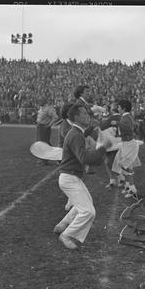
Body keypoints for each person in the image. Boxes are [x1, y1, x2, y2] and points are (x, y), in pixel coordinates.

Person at [54, 104, 112, 250]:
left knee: (86, 204)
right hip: (69, 178)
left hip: (71, 177)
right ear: (76, 117)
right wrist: (103, 148)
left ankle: (63, 225)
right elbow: (85, 158)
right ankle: (67, 235)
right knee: (88, 211)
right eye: (84, 113)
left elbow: (88, 156)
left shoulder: (77, 133)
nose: (88, 115)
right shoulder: (75, 134)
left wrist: (100, 150)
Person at [112, 99, 141, 198]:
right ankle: (129, 186)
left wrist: (116, 123)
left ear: (123, 108)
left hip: (128, 144)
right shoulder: (127, 116)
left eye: (119, 107)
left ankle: (132, 188)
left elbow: (128, 128)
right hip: (127, 143)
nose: (118, 108)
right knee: (126, 166)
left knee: (125, 166)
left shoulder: (126, 117)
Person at [99, 103, 123, 188]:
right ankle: (115, 179)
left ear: (112, 110)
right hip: (120, 141)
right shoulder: (122, 117)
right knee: (115, 161)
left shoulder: (112, 117)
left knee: (109, 161)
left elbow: (102, 127)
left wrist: (100, 120)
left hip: (112, 142)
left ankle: (118, 178)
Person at [36, 97, 59, 165]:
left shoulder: (48, 108)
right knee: (42, 143)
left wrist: (49, 125)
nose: (39, 102)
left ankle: (44, 160)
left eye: (40, 101)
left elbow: (55, 117)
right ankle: (43, 159)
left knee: (43, 144)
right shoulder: (41, 107)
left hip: (44, 127)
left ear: (44, 101)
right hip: (40, 127)